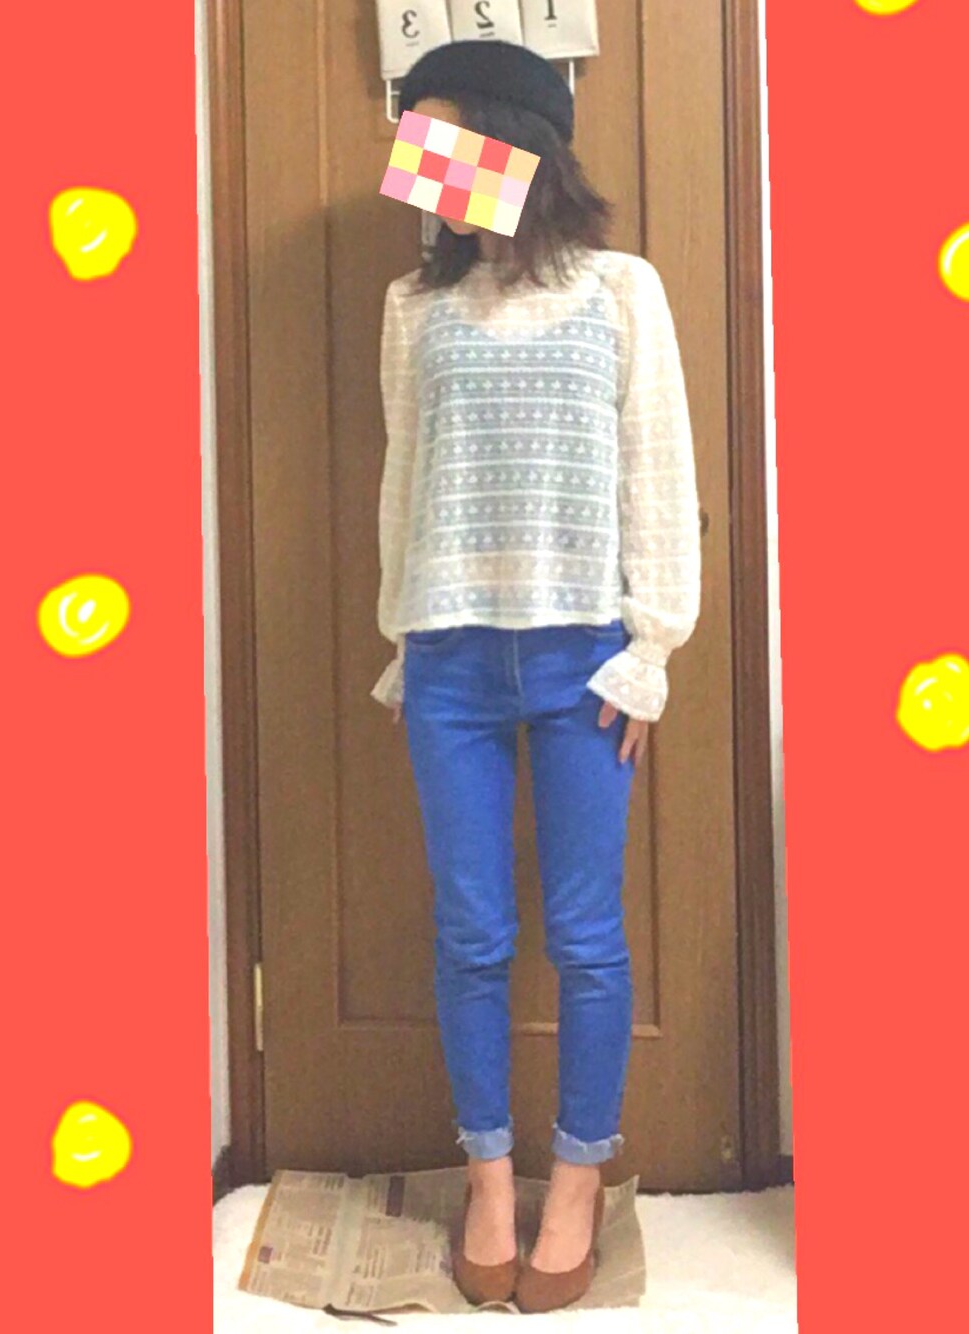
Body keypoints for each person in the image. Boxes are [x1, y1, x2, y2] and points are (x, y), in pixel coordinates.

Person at [373, 39, 701, 1313]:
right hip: (449, 656)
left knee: (585, 935)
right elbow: (405, 481)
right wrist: (403, 636)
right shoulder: (416, 308)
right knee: (470, 933)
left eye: (436, 136)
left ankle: (576, 1178)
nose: (417, 167)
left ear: (511, 143)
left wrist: (650, 647)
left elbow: (657, 466)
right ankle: (488, 1180)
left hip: (583, 657)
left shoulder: (620, 289)